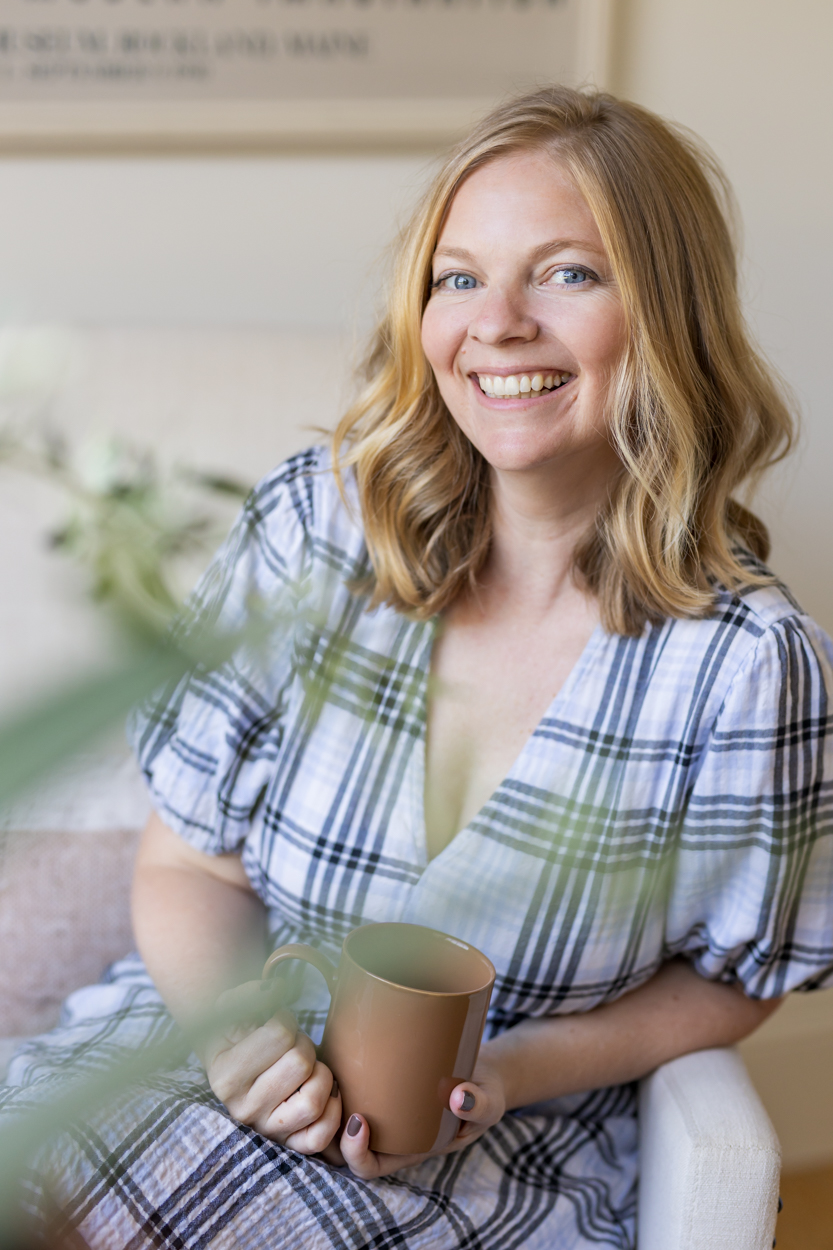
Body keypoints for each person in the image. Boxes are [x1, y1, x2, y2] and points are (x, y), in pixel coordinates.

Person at [3, 84, 833, 1249]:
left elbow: (731, 977)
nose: (495, 322)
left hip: (481, 1154)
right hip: (203, 1053)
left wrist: (504, 1070)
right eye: (458, 276)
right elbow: (185, 860)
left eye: (566, 272)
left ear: (666, 314)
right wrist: (233, 1032)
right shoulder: (313, 533)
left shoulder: (748, 668)